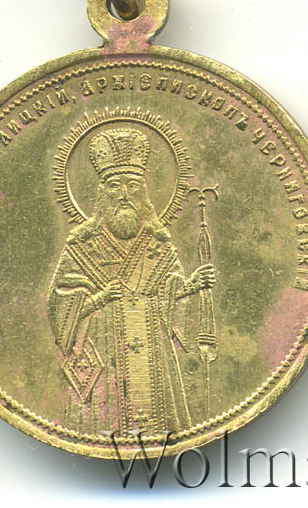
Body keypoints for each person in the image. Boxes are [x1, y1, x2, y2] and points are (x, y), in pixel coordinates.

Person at [47, 128, 215, 437]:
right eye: (115, 185)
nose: (124, 194)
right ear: (102, 194)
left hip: (154, 358)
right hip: (105, 359)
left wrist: (191, 285)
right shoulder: (81, 246)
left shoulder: (159, 244)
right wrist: (99, 299)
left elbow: (171, 291)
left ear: (143, 194)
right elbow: (59, 304)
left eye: (133, 185)